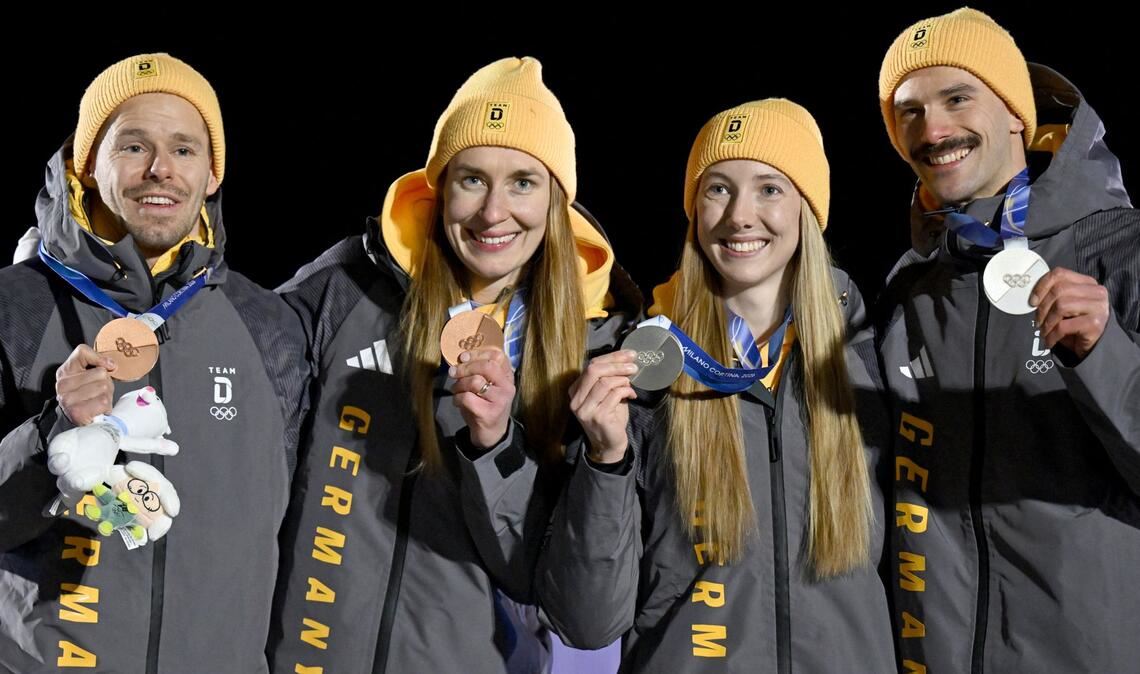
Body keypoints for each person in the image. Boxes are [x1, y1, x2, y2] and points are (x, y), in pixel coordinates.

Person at [270, 56, 638, 673]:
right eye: (472, 179)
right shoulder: (347, 291)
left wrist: (497, 446)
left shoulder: (595, 350)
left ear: (555, 201)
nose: (493, 213)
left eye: (523, 181)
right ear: (437, 191)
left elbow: (588, 618)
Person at [538, 98, 895, 672]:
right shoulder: (641, 370)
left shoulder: (870, 362)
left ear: (808, 209)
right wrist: (605, 461)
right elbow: (586, 623)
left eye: (770, 189)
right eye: (718, 189)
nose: (740, 216)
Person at [0, 53, 307, 672]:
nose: (160, 170)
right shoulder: (16, 306)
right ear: (85, 163)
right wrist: (48, 440)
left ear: (214, 173)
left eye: (185, 150)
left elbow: (286, 535)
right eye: (133, 146)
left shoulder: (269, 324)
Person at [876, 8, 1140, 672]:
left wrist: (1103, 355)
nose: (933, 130)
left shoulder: (1122, 253)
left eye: (957, 98)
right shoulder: (910, 291)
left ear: (1016, 112)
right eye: (909, 111)